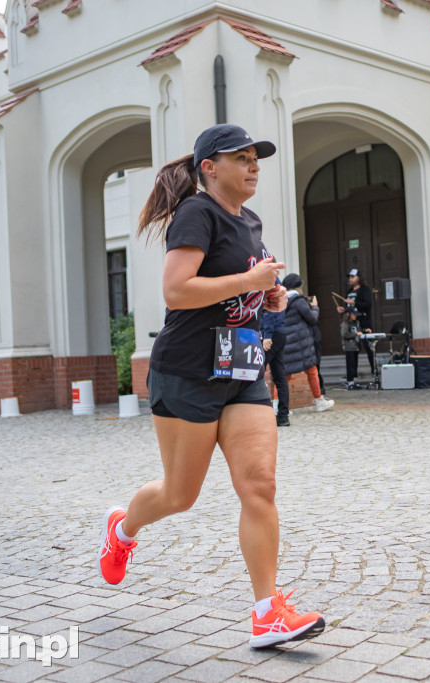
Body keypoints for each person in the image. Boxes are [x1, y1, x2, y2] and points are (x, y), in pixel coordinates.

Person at [98, 124, 324, 649]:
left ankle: (267, 613)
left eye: (256, 158)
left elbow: (238, 288)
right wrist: (249, 282)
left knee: (259, 484)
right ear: (209, 168)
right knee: (180, 495)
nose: (253, 166)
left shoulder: (251, 221)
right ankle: (121, 529)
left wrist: (263, 298)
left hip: (241, 369)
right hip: (187, 370)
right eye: (241, 158)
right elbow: (178, 291)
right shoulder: (197, 213)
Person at [281, 273, 334, 412]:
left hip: (287, 343)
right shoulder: (299, 301)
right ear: (298, 287)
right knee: (312, 371)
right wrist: (315, 307)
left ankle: (277, 405)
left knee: (284, 374)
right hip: (301, 344)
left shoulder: (280, 301)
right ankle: (319, 401)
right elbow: (312, 319)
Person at [337, 268, 374, 377]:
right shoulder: (349, 291)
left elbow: (368, 304)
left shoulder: (364, 290)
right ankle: (353, 374)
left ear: (359, 278)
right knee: (352, 348)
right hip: (352, 323)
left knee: (368, 346)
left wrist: (354, 302)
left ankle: (373, 370)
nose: (350, 279)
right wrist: (343, 309)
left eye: (353, 277)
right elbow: (349, 307)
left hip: (363, 321)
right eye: (350, 277)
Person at [261, 294, 290, 427]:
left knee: (257, 372)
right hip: (279, 332)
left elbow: (269, 312)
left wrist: (267, 335)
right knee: (279, 376)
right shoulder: (278, 287)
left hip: (271, 334)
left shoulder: (271, 284)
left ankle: (261, 413)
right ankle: (283, 416)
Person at [340, 306, 362, 389]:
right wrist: (356, 334)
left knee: (354, 365)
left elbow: (359, 331)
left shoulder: (356, 323)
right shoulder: (345, 324)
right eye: (353, 314)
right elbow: (344, 334)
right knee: (350, 365)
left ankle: (353, 381)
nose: (355, 316)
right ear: (348, 314)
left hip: (356, 347)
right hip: (349, 347)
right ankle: (350, 382)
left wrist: (364, 330)